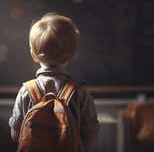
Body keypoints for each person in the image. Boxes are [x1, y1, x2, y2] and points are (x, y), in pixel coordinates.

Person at [8, 12, 99, 152]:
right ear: (72, 53)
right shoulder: (79, 91)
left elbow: (15, 134)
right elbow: (91, 134)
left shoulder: (26, 91)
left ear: (33, 54)